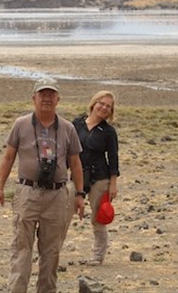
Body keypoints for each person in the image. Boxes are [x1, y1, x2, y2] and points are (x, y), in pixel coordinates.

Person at [0, 77, 85, 293]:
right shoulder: (21, 124)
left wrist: (79, 194)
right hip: (27, 192)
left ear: (58, 99)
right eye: (42, 94)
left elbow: (75, 163)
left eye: (51, 95)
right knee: (21, 248)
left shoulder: (68, 128)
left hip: (57, 195)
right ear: (33, 98)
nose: (47, 98)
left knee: (51, 251)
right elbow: (8, 158)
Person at [72, 90, 120, 266]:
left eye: (108, 106)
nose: (104, 107)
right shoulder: (77, 123)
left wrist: (113, 183)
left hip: (100, 178)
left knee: (99, 217)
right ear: (94, 103)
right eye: (102, 103)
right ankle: (50, 251)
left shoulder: (108, 132)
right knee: (60, 213)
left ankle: (98, 256)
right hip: (76, 175)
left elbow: (113, 158)